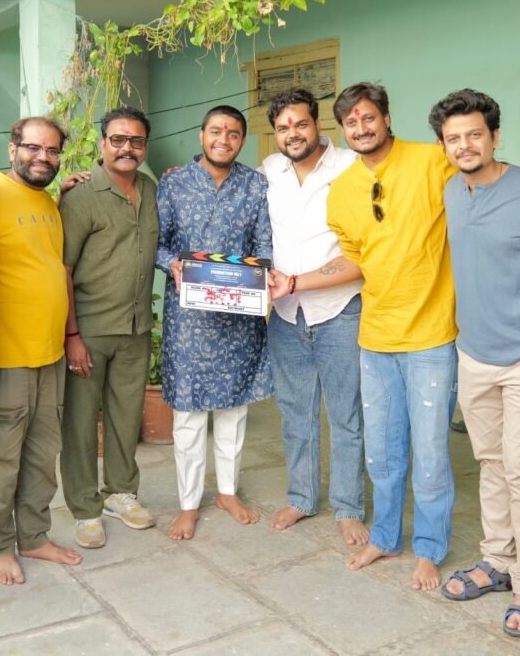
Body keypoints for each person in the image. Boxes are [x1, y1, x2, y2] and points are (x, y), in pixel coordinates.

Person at [429, 89, 520, 638]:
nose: (464, 145)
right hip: (473, 351)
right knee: (490, 462)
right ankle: (498, 560)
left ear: (495, 136)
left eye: (474, 134)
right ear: (444, 145)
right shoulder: (451, 191)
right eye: (453, 138)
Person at [326, 82, 457, 591]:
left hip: (431, 335)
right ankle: (384, 536)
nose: (361, 128)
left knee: (430, 454)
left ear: (385, 118)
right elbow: (356, 260)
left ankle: (429, 548)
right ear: (344, 129)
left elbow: (482, 196)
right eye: (351, 122)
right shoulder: (342, 191)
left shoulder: (433, 161)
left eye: (368, 118)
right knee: (381, 451)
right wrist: (294, 282)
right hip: (375, 336)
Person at [155, 105, 272, 540]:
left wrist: (261, 275)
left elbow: (264, 244)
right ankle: (188, 504)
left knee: (233, 409)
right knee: (188, 413)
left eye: (234, 133)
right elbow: (158, 243)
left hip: (238, 316)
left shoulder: (255, 184)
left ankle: (227, 492)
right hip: (188, 319)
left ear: (242, 140)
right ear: (202, 135)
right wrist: (173, 264)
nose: (224, 139)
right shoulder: (174, 184)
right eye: (216, 131)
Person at [259, 89, 369, 546]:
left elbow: (365, 246)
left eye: (300, 124)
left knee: (346, 414)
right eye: (283, 127)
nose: (293, 133)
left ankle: (348, 507)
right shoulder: (270, 170)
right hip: (287, 314)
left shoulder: (350, 165)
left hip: (340, 308)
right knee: (295, 413)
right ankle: (302, 498)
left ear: (317, 124)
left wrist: (298, 281)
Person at [0, 117, 82, 586]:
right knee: (2, 460)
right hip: (6, 356)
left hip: (49, 353)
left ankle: (34, 536)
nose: (43, 157)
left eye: (52, 150)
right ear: (12, 149)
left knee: (42, 455)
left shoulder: (47, 203)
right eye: (33, 148)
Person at [59, 107, 159, 549]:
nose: (127, 148)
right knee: (81, 423)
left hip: (135, 327)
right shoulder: (81, 196)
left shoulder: (151, 190)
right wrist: (72, 336)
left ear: (145, 147)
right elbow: (63, 269)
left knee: (125, 415)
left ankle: (120, 492)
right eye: (118, 139)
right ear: (102, 144)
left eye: (136, 141)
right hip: (90, 328)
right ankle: (85, 507)